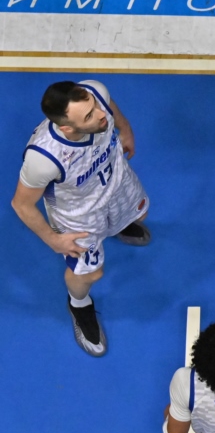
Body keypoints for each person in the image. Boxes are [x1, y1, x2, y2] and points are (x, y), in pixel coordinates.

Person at [10, 80, 151, 356]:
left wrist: (125, 129)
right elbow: (21, 204)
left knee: (141, 213)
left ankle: (117, 227)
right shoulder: (43, 159)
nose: (100, 114)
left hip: (116, 182)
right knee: (91, 272)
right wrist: (54, 241)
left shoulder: (95, 92)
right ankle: (79, 305)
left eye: (94, 105)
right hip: (79, 214)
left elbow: (110, 108)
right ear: (67, 128)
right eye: (88, 116)